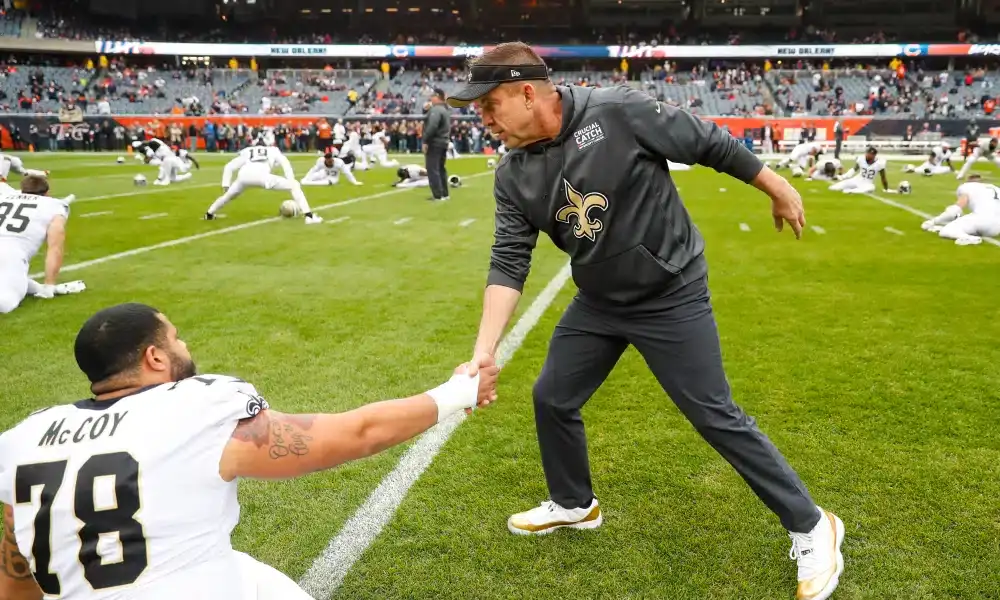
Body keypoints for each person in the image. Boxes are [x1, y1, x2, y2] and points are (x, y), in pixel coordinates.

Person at [447, 42, 843, 600]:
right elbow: (509, 259)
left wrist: (776, 187)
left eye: (488, 106)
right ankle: (574, 504)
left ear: (527, 93)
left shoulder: (616, 111)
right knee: (553, 396)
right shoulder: (511, 174)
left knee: (713, 415)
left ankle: (811, 523)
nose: (483, 120)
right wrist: (485, 347)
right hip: (600, 300)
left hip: (670, 291)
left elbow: (708, 143)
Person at [0, 303, 498, 599]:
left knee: (251, 575)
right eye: (174, 337)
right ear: (154, 357)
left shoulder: (23, 438)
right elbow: (356, 433)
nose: (183, 343)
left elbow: (15, 565)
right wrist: (456, 394)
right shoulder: (196, 407)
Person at [0, 175, 85, 314]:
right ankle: (45, 288)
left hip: (8, 261)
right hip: (10, 257)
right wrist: (49, 286)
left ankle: (40, 288)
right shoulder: (54, 206)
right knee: (5, 304)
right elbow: (55, 248)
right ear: (47, 192)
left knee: (13, 279)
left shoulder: (4, 197)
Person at [205, 136, 322, 224]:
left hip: (243, 177)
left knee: (228, 196)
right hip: (262, 177)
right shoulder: (273, 150)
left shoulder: (247, 151)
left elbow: (229, 167)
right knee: (295, 185)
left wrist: (226, 184)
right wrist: (290, 179)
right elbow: (285, 163)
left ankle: (209, 214)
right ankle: (309, 216)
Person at [921, 174, 1000, 245]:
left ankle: (969, 238)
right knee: (965, 224)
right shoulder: (994, 188)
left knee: (947, 231)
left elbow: (954, 210)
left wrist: (933, 221)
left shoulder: (967, 187)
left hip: (981, 220)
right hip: (997, 227)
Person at [422, 88, 451, 202]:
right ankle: (444, 193)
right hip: (443, 141)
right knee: (440, 168)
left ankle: (437, 195)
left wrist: (425, 140)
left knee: (432, 168)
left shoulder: (436, 110)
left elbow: (432, 126)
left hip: (435, 142)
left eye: (432, 96)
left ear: (437, 96)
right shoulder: (444, 109)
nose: (430, 98)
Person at [828, 146, 894, 194]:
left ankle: (849, 191)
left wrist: (886, 189)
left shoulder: (880, 163)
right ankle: (849, 189)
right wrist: (842, 177)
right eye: (868, 153)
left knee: (871, 188)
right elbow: (854, 170)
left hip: (867, 183)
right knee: (833, 188)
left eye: (871, 154)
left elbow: (883, 177)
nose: (869, 155)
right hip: (856, 180)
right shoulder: (861, 159)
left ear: (874, 156)